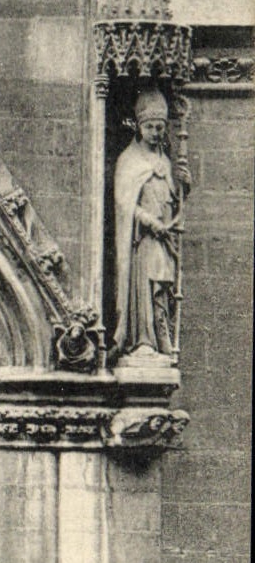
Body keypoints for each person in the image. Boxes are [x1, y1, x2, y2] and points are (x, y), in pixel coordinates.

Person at [112, 87, 186, 360]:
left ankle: (161, 334)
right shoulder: (129, 160)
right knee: (148, 285)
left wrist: (183, 187)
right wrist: (149, 221)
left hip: (165, 239)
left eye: (160, 127)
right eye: (151, 127)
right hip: (143, 239)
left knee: (163, 286)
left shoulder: (165, 161)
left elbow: (173, 201)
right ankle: (144, 338)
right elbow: (124, 202)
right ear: (139, 127)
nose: (156, 132)